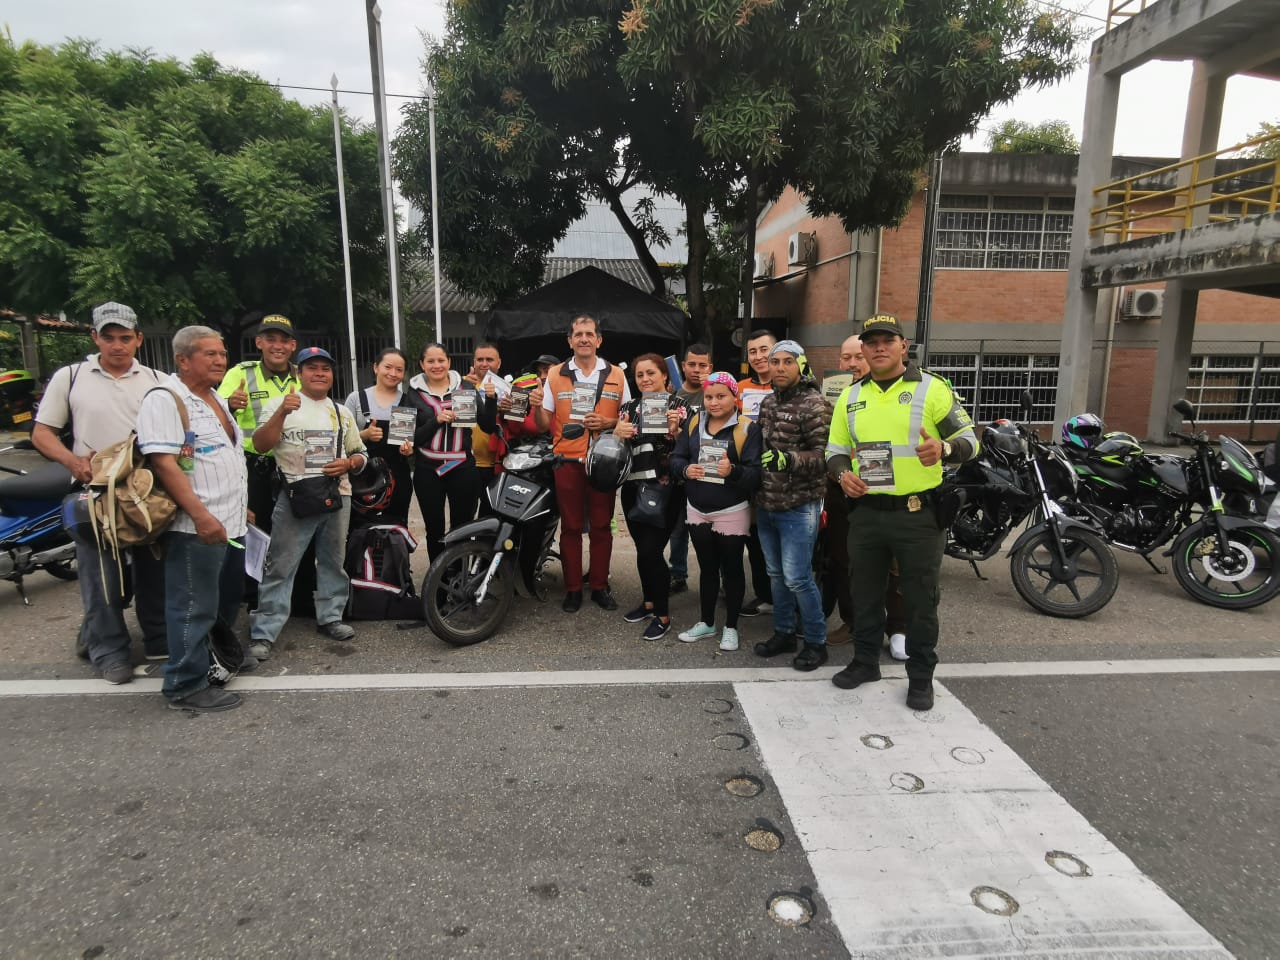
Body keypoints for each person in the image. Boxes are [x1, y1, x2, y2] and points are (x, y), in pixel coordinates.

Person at [826, 314, 980, 711]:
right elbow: (835, 451)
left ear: (903, 346)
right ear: (863, 349)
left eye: (887, 341)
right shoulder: (850, 396)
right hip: (866, 513)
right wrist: (842, 475)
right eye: (871, 342)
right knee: (864, 593)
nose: (879, 347)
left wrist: (945, 449)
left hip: (917, 515)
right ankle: (865, 663)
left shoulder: (932, 388)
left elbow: (969, 440)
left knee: (920, 599)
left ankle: (921, 677)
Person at [32, 301, 165, 683]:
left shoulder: (156, 380)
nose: (117, 345)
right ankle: (108, 650)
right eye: (109, 338)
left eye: (125, 337)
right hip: (94, 492)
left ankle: (159, 640)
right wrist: (72, 461)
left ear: (138, 339)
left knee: (153, 570)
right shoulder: (71, 377)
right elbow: (42, 433)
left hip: (143, 491)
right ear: (95, 338)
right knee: (101, 576)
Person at [136, 326, 248, 712]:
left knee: (218, 602)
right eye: (209, 354)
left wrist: (242, 506)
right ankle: (184, 685)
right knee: (191, 606)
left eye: (222, 354)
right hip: (196, 526)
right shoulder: (166, 399)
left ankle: (215, 662)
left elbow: (221, 456)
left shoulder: (213, 397)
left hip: (229, 521)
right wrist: (201, 516)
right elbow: (165, 463)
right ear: (182, 360)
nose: (220, 361)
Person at [247, 347, 370, 661]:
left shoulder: (340, 412)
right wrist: (282, 412)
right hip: (295, 496)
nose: (319, 373)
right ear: (298, 373)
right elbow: (260, 445)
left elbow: (361, 454)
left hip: (338, 494)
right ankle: (264, 631)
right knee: (281, 565)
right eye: (312, 368)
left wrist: (349, 463)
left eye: (325, 369)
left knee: (332, 561)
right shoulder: (281, 404)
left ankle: (331, 616)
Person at [530, 314, 631, 612]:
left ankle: (599, 586)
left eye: (589, 334)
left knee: (601, 527)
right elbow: (543, 424)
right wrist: (536, 407)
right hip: (567, 460)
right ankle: (573, 589)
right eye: (578, 334)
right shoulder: (555, 374)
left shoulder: (616, 374)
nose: (584, 339)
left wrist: (607, 422)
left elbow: (627, 418)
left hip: (604, 461)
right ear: (570, 341)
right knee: (571, 528)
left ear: (599, 340)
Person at [751, 340, 834, 671]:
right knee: (775, 574)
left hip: (800, 505)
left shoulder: (816, 404)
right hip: (767, 502)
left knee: (798, 577)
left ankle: (816, 642)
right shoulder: (768, 402)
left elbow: (827, 456)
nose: (780, 367)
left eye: (788, 361)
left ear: (801, 365)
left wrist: (790, 460)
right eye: (775, 362)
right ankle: (784, 632)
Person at [828, 334, 909, 657]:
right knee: (844, 562)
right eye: (845, 357)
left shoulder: (894, 392)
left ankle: (899, 627)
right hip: (841, 490)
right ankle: (853, 622)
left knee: (893, 564)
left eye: (857, 357)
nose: (851, 364)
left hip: (887, 490)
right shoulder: (833, 395)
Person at [669, 373, 762, 650]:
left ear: (735, 396)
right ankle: (707, 622)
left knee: (732, 568)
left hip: (731, 509)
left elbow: (756, 474)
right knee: (707, 567)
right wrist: (686, 469)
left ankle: (731, 627)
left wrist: (732, 471)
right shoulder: (694, 422)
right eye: (709, 396)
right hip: (697, 508)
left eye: (721, 396)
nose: (714, 402)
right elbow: (676, 457)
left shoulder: (748, 429)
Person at [218, 314, 300, 601]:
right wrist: (229, 404)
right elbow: (215, 412)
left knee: (292, 530)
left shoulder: (302, 375)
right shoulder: (241, 374)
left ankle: (294, 593)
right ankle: (253, 596)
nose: (277, 346)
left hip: (292, 464)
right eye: (270, 339)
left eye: (284, 341)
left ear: (292, 345)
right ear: (259, 343)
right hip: (253, 465)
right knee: (254, 529)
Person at [612, 353, 691, 640]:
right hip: (633, 487)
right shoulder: (628, 407)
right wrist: (617, 433)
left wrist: (677, 431)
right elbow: (617, 449)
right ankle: (648, 603)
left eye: (651, 373)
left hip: (665, 488)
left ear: (665, 375)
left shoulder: (680, 407)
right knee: (642, 549)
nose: (645, 379)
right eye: (640, 375)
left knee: (651, 550)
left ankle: (663, 614)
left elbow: (692, 447)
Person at [404, 343, 496, 561]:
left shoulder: (466, 387)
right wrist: (436, 421)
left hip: (462, 468)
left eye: (441, 360)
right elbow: (410, 438)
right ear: (422, 364)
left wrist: (491, 400)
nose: (436, 365)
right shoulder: (413, 393)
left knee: (462, 528)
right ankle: (439, 580)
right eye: (431, 361)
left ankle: (458, 577)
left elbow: (488, 426)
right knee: (434, 530)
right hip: (428, 470)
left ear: (449, 362)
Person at [343, 347, 415, 526]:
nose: (393, 373)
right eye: (387, 367)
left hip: (398, 477)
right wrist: (364, 435)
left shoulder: (408, 401)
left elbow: (412, 440)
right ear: (376, 367)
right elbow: (342, 440)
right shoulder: (356, 399)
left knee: (395, 528)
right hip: (362, 477)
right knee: (360, 528)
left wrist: (408, 450)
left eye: (399, 370)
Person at [737, 329, 777, 617]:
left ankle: (788, 600)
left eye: (765, 350)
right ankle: (765, 596)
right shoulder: (739, 388)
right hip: (749, 474)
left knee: (782, 541)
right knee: (754, 539)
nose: (759, 356)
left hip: (782, 475)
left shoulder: (791, 384)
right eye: (753, 351)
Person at [667, 343, 712, 595]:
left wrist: (709, 389)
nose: (697, 370)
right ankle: (677, 574)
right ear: (683, 366)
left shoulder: (716, 393)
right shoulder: (673, 396)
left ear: (710, 368)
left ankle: (717, 579)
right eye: (692, 364)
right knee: (678, 529)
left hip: (711, 472)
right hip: (681, 471)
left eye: (702, 365)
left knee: (712, 531)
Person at [462, 342, 509, 498]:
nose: (484, 364)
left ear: (499, 363)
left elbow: (519, 427)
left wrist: (506, 412)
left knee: (489, 510)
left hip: (495, 463)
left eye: (489, 359)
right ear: (474, 362)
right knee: (465, 510)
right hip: (464, 462)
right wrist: (465, 387)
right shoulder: (460, 384)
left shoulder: (508, 390)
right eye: (480, 360)